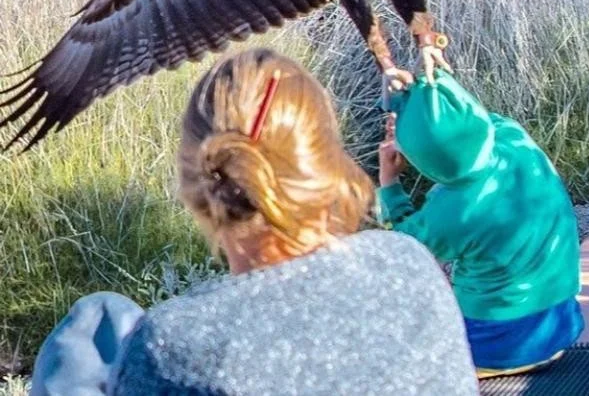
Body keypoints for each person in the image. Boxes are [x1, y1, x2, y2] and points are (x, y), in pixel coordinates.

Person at [32, 48, 479, 396]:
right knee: (105, 320)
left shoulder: (175, 346)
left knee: (93, 328)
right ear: (327, 165)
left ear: (194, 186)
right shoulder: (409, 267)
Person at [377, 68, 585, 379]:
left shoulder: (453, 211)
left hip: (497, 345)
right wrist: (420, 96)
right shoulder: (513, 137)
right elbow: (463, 120)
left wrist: (389, 182)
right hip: (561, 326)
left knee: (389, 347)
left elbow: (401, 249)